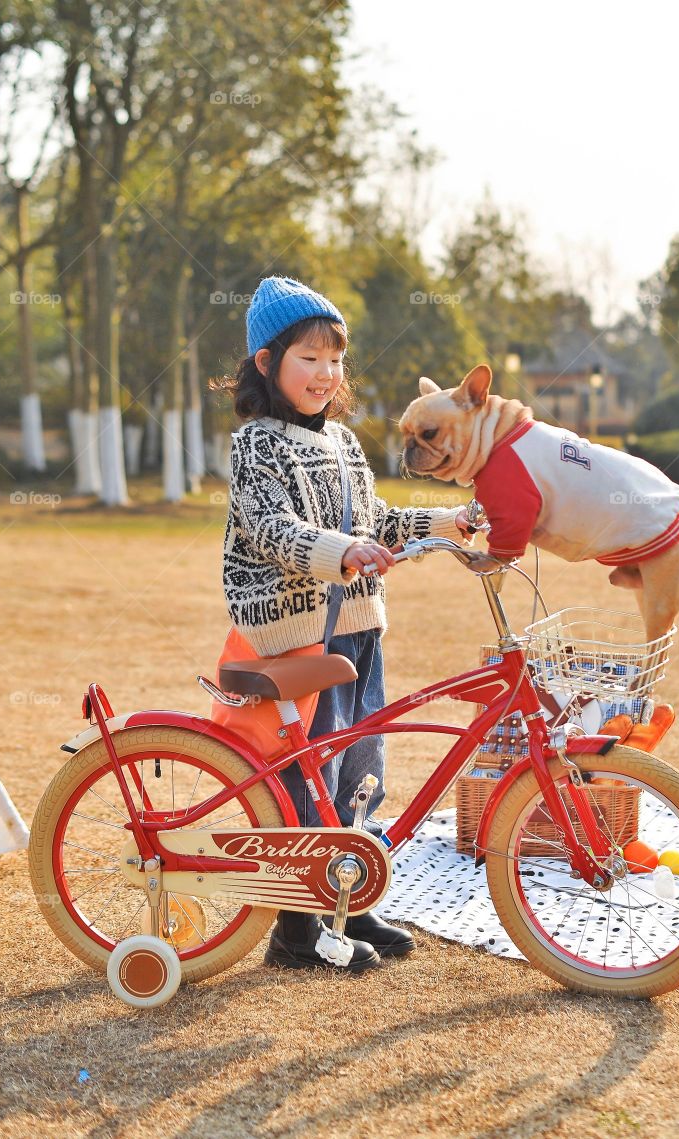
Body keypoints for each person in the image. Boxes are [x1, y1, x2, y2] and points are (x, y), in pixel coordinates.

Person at [216, 276, 471, 973]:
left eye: (335, 359)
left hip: (357, 629)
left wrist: (452, 519)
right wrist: (341, 550)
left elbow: (378, 522)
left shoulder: (345, 444)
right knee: (312, 770)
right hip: (300, 632)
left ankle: (350, 897)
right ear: (267, 364)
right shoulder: (256, 445)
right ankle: (296, 931)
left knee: (362, 764)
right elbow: (272, 527)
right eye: (309, 357)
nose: (326, 373)